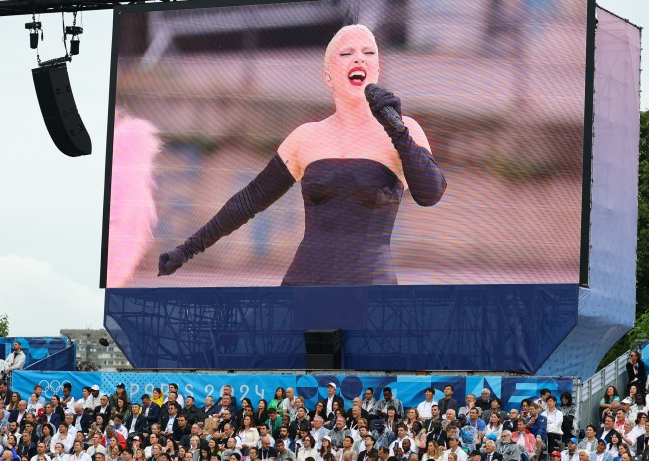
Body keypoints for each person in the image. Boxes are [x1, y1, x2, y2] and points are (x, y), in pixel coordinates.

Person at [158, 24, 447, 286]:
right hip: (304, 289)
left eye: (368, 52)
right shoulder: (305, 137)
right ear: (327, 75)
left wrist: (396, 130)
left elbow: (430, 193)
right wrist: (187, 249)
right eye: (346, 53)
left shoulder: (404, 128)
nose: (359, 58)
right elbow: (248, 200)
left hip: (372, 293)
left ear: (377, 69)